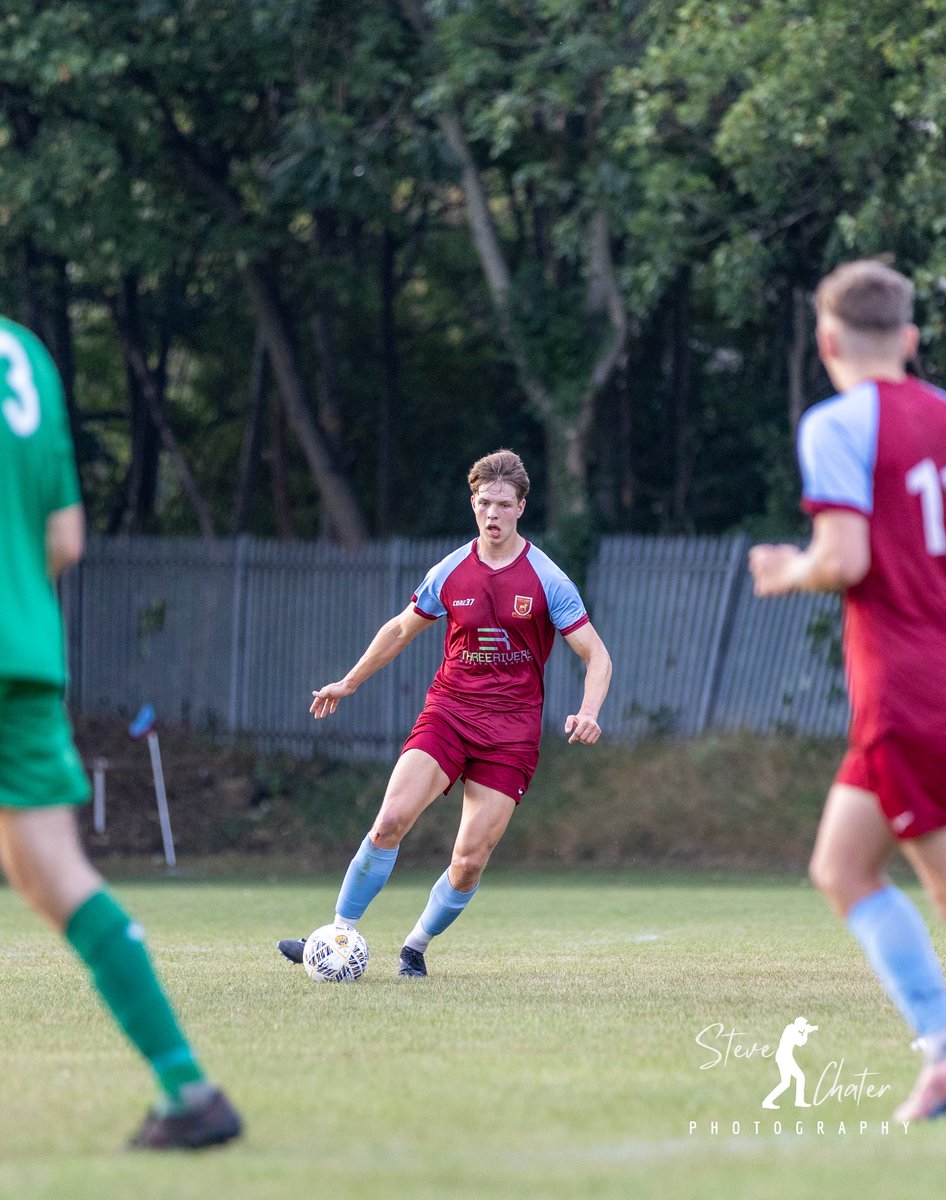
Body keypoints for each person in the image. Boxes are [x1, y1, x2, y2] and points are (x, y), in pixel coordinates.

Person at [0, 314, 242, 1150]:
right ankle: (189, 1090)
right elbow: (64, 538)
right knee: (53, 876)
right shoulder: (23, 354)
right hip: (24, 655)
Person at [749, 260, 946, 1123]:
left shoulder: (837, 423)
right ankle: (944, 1046)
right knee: (840, 865)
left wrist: (786, 571)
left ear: (828, 341)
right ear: (909, 339)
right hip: (940, 678)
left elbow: (844, 559)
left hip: (909, 689)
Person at [278, 448, 612, 977]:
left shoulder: (548, 579)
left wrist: (589, 711)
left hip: (511, 733)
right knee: (389, 822)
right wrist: (349, 681)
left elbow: (596, 655)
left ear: (521, 507)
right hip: (449, 714)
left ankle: (414, 948)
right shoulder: (451, 570)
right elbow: (399, 630)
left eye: (503, 504)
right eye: (484, 503)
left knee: (469, 860)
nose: (493, 514)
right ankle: (335, 935)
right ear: (473, 504)